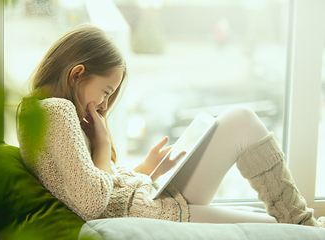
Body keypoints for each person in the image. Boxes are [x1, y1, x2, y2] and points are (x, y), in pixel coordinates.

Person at [16, 24, 324, 226]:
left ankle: (301, 221)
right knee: (272, 225)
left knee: (240, 120)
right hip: (148, 212)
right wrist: (103, 146)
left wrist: (147, 168)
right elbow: (92, 203)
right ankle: (303, 224)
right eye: (106, 92)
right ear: (76, 74)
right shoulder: (56, 111)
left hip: (147, 200)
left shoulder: (39, 112)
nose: (105, 105)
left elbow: (92, 185)